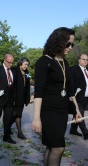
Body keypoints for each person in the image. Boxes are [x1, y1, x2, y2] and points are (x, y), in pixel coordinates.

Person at [31, 27, 82, 166]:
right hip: (49, 111)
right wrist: (36, 118)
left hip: (62, 111)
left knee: (52, 146)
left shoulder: (64, 62)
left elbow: (70, 91)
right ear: (58, 41)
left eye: (72, 44)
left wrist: (76, 110)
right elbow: (38, 92)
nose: (70, 47)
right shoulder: (43, 61)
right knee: (59, 147)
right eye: (68, 44)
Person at [11, 58, 31, 140]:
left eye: (27, 64)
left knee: (17, 114)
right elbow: (12, 86)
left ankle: (10, 128)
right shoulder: (14, 70)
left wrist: (27, 98)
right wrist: (13, 99)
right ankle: (19, 132)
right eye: (25, 64)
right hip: (15, 97)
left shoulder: (27, 72)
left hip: (22, 97)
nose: (26, 66)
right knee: (16, 114)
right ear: (20, 63)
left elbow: (28, 84)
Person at [70, 54, 88, 140]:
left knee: (77, 115)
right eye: (83, 59)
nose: (85, 61)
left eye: (87, 60)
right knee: (80, 115)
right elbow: (71, 84)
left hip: (85, 98)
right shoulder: (74, 69)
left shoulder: (86, 71)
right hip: (77, 98)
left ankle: (73, 129)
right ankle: (86, 133)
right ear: (79, 60)